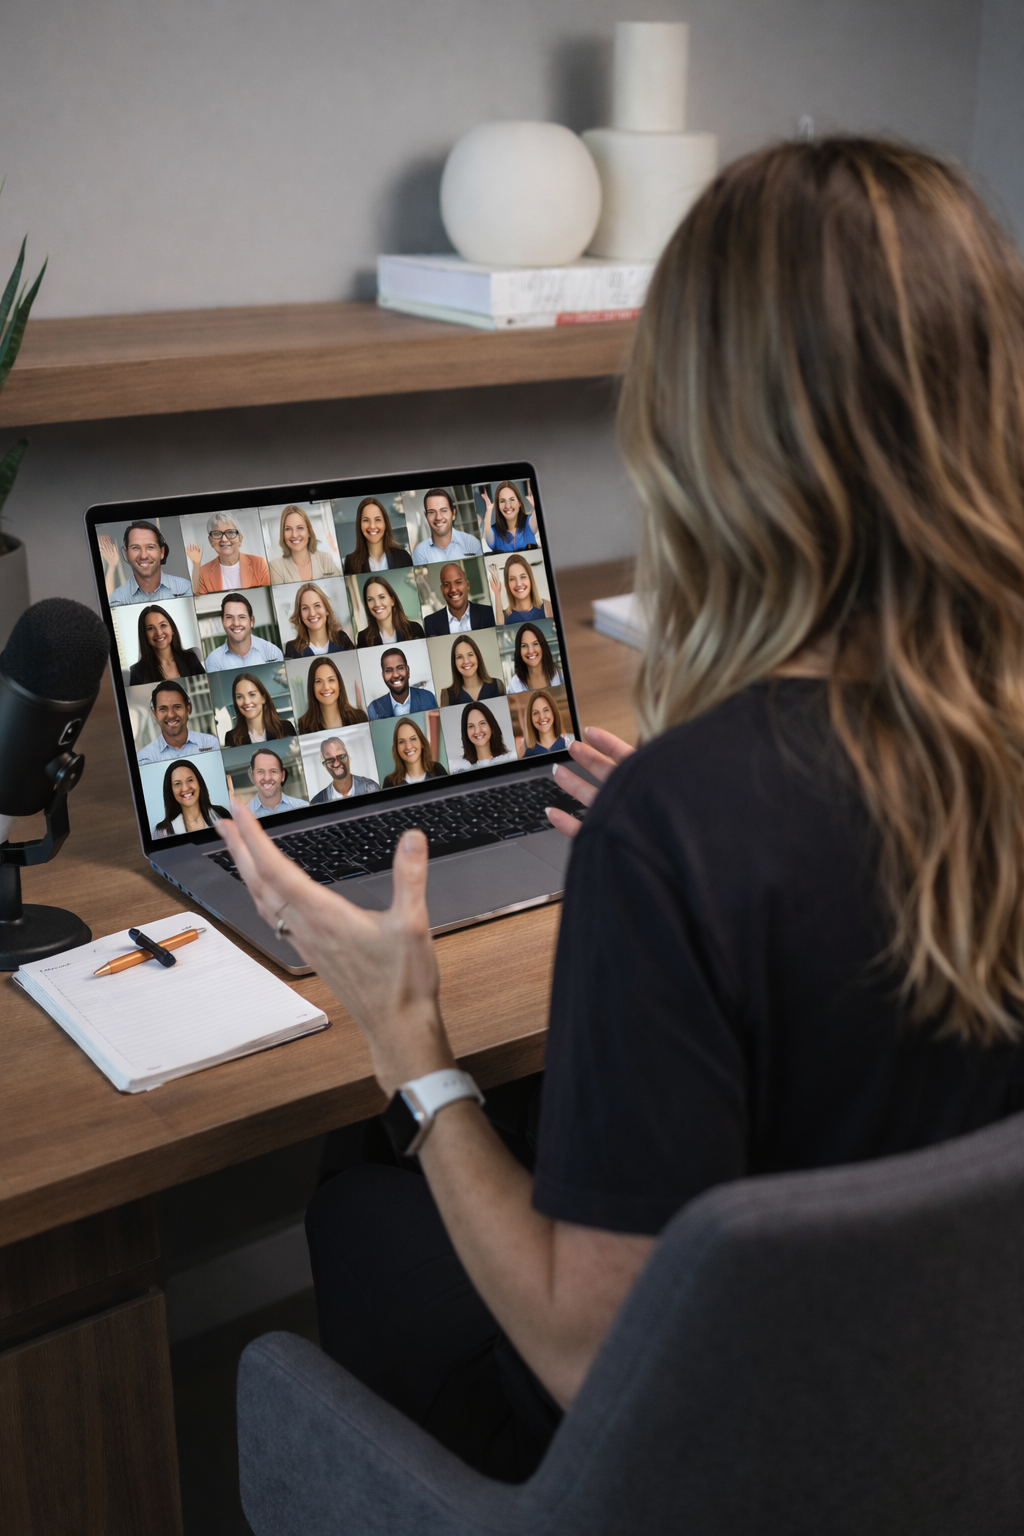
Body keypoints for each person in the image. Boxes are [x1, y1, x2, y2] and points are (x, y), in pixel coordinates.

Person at [216, 140, 1024, 1485]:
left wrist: (407, 1035)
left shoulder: (682, 828)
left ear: (707, 429)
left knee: (366, 1198)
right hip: (957, 1411)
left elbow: (593, 1354)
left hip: (720, 1471)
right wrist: (697, 868)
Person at [101, 520, 193, 606]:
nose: (143, 556)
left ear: (162, 552)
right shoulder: (118, 597)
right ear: (126, 553)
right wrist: (112, 566)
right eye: (135, 548)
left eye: (150, 547)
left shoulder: (184, 588)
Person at [187, 512, 271, 594]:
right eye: (216, 533)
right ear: (210, 541)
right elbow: (197, 596)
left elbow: (267, 593)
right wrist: (196, 564)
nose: (224, 539)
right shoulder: (202, 572)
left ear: (240, 538)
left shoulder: (259, 563)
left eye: (230, 532)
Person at [137, 681, 219, 764]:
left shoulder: (211, 743)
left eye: (177, 707)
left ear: (188, 709)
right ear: (154, 714)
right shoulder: (143, 758)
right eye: (163, 709)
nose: (171, 715)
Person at [127, 605, 205, 684]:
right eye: (150, 628)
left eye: (163, 625)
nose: (159, 633)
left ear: (172, 629)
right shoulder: (137, 672)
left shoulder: (191, 659)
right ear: (144, 635)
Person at [205, 594, 285, 671]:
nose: (236, 623)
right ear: (223, 621)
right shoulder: (213, 661)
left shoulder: (272, 652)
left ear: (252, 621)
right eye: (229, 617)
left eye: (242, 617)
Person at [269, 505, 343, 585]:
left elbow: (338, 586)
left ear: (309, 532)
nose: (294, 534)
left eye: (300, 528)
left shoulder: (325, 559)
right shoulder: (275, 567)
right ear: (283, 534)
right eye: (288, 529)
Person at [154, 759, 231, 836]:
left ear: (199, 783)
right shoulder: (163, 831)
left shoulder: (222, 814)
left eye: (190, 780)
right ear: (170, 791)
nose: (185, 788)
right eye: (177, 783)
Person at [412, 488, 483, 564]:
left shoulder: (472, 543)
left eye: (444, 510)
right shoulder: (419, 552)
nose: (438, 517)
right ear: (426, 516)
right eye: (432, 512)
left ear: (453, 514)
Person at [343, 498, 414, 574]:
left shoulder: (403, 557)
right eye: (366, 520)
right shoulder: (350, 562)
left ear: (385, 524)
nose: (372, 526)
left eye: (377, 519)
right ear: (359, 525)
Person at [224, 672, 296, 747]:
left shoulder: (285, 727)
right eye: (239, 697)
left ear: (263, 698)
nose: (246, 702)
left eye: (252, 694)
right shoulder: (231, 737)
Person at [423, 562, 496, 637]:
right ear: (442, 589)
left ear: (467, 585)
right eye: (446, 585)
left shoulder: (489, 614)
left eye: (458, 582)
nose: (453, 589)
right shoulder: (430, 622)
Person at [297, 658, 368, 733]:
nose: (326, 687)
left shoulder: (360, 717)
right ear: (311, 687)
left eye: (331, 680)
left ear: (339, 684)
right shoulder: (303, 724)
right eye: (318, 681)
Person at [283, 583, 355, 657]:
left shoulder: (342, 639)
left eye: (317, 605)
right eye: (305, 608)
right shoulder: (291, 648)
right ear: (300, 615)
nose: (312, 613)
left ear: (326, 610)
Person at [366, 649, 438, 720]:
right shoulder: (373, 709)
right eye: (388, 670)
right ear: (383, 675)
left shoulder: (428, 698)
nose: (396, 675)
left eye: (400, 668)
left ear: (408, 671)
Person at [448, 703, 518, 773]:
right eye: (471, 726)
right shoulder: (457, 767)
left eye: (482, 723)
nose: (477, 731)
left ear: (492, 726)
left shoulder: (512, 758)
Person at [356, 577, 425, 647]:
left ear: (393, 600)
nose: (377, 604)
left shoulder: (414, 629)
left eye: (381, 597)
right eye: (370, 599)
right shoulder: (363, 637)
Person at [309, 737, 380, 804]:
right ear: (325, 766)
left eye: (341, 757)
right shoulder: (317, 802)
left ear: (348, 758)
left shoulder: (371, 788)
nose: (336, 763)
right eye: (330, 760)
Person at [439, 636, 506, 707]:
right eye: (459, 657)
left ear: (478, 657)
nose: (466, 661)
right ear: (454, 662)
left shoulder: (498, 685)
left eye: (470, 655)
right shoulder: (447, 695)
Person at [381, 718, 448, 788]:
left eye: (413, 739)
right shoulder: (389, 782)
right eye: (401, 741)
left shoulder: (437, 769)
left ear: (422, 743)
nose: (408, 746)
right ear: (396, 748)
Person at [488, 554, 553, 626]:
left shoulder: (548, 607)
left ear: (530, 579)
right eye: (512, 579)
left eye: (523, 577)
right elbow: (500, 627)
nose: (518, 584)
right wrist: (497, 593)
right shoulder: (504, 617)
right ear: (507, 584)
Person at [246, 747, 308, 818]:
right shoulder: (242, 818)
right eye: (260, 771)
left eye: (273, 771)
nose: (267, 778)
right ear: (252, 776)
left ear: (283, 776)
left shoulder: (303, 806)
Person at [480, 481, 539, 553]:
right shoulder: (494, 532)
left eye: (512, 499)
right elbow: (487, 535)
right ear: (498, 506)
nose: (508, 506)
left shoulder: (529, 523)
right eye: (502, 501)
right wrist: (489, 510)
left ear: (519, 502)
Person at [506, 623, 563, 694]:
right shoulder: (513, 686)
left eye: (535, 644)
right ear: (519, 651)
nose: (531, 651)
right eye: (524, 646)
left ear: (543, 647)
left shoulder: (561, 676)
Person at [519, 689, 571, 757]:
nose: (542, 717)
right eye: (535, 713)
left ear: (553, 712)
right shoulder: (527, 756)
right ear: (530, 719)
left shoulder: (570, 744)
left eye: (546, 710)